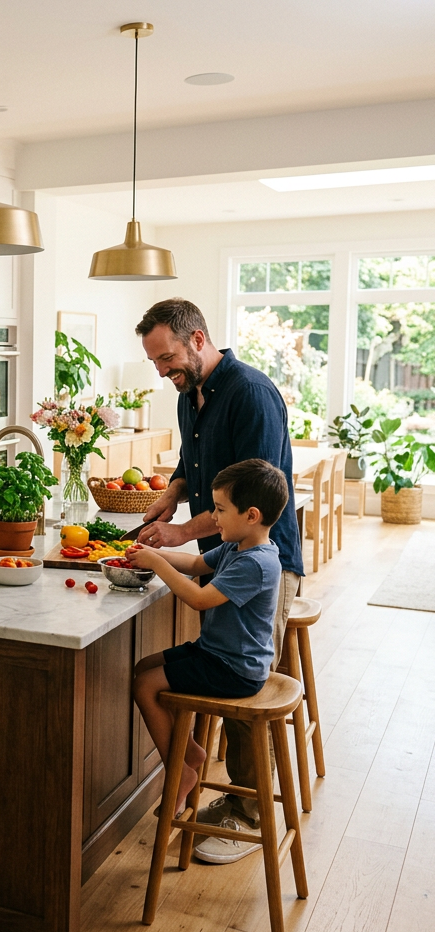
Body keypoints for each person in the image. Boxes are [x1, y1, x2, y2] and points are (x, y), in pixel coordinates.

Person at [135, 297, 304, 864]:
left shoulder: (250, 395)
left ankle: (249, 809)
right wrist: (169, 497)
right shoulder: (191, 394)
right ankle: (203, 779)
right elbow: (193, 465)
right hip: (222, 559)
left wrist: (181, 537)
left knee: (243, 681)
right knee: (219, 664)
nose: (163, 371)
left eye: (168, 358)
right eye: (156, 362)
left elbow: (249, 502)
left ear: (199, 339)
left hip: (261, 564)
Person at [129, 460, 286, 819]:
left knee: (145, 685)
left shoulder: (257, 563)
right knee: (143, 668)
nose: (213, 517)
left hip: (234, 669)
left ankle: (181, 768)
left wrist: (156, 564)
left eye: (219, 509)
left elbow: (199, 598)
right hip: (216, 653)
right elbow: (197, 565)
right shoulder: (237, 546)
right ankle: (193, 752)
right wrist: (151, 554)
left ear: (251, 515)